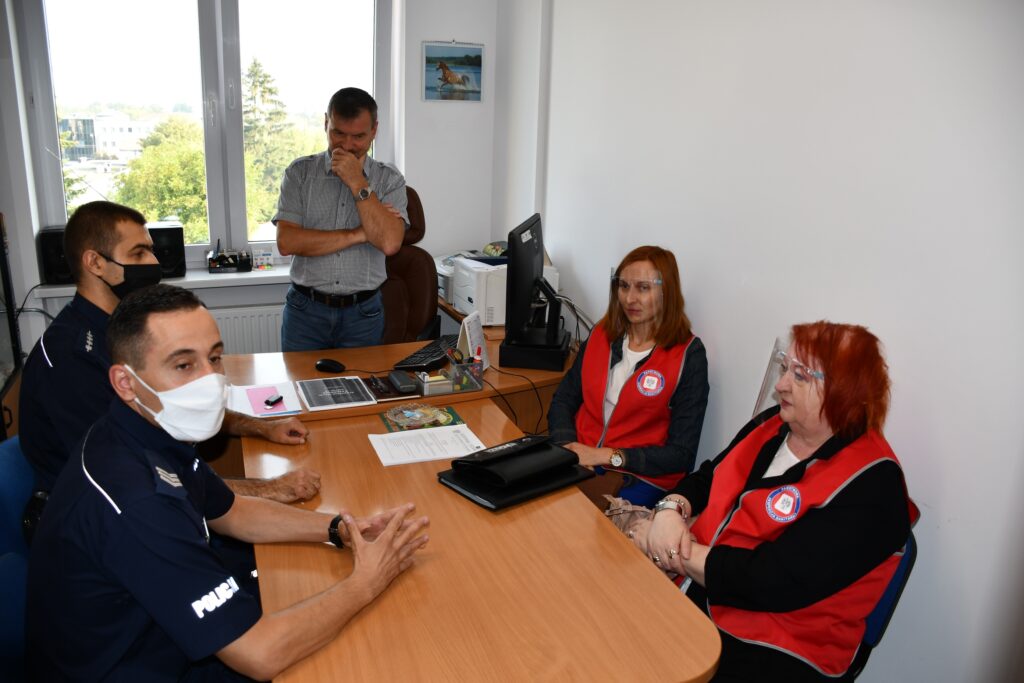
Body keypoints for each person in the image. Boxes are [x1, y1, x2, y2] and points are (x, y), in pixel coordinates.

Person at [26, 284, 431, 681]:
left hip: (159, 634)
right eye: (184, 365)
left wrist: (340, 528)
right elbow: (260, 653)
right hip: (140, 664)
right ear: (126, 383)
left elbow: (233, 512)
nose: (211, 380)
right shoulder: (138, 500)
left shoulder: (145, 431)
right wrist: (366, 583)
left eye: (214, 358)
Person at [20, 201, 319, 542]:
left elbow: (182, 407)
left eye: (150, 250)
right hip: (106, 526)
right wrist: (267, 489)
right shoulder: (72, 359)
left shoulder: (123, 329)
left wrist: (263, 427)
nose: (153, 263)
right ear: (95, 263)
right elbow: (131, 474)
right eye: (138, 253)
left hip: (160, 495)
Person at [644, 321, 918, 682]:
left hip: (777, 648)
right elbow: (709, 476)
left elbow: (773, 581)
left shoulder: (874, 486)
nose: (780, 385)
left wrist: (671, 548)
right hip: (702, 590)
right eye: (784, 367)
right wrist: (670, 509)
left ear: (847, 391)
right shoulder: (774, 424)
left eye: (800, 375)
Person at [547, 245, 709, 507]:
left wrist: (606, 456)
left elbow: (681, 454)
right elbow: (564, 399)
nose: (630, 298)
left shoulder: (689, 355)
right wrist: (568, 447)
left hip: (638, 476)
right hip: (580, 457)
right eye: (623, 286)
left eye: (643, 288)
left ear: (666, 291)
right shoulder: (601, 334)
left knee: (581, 520)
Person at [274, 87, 408, 351]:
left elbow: (390, 242)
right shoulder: (299, 173)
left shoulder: (389, 180)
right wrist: (361, 233)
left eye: (358, 136)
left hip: (363, 314)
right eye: (338, 133)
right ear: (326, 123)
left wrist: (357, 181)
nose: (346, 145)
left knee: (362, 379)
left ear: (374, 130)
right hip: (305, 312)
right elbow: (287, 242)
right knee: (298, 379)